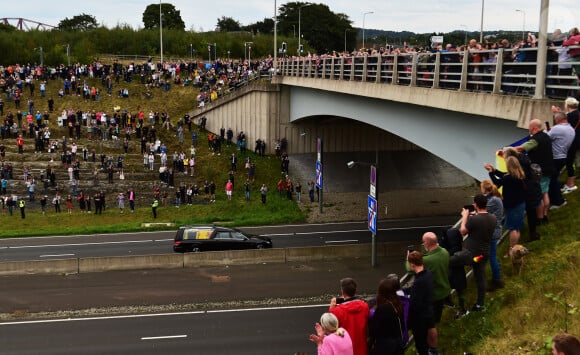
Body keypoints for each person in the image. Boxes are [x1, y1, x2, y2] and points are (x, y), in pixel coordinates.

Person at [459, 194, 496, 311]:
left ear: (475, 204)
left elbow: (463, 231)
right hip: (484, 252)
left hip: (474, 254)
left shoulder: (474, 219)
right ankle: (480, 303)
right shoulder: (493, 218)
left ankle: (458, 295)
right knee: (480, 276)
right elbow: (481, 223)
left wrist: (465, 216)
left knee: (453, 261)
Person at [516, 119, 556, 224]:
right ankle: (545, 214)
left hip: (539, 171)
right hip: (548, 168)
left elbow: (521, 148)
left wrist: (508, 150)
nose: (528, 129)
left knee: (539, 195)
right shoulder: (546, 136)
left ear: (534, 128)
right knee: (545, 192)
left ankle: (540, 217)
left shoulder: (535, 140)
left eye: (529, 127)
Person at [484, 156, 526, 255]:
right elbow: (503, 175)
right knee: (517, 227)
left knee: (513, 229)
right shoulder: (519, 174)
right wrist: (494, 170)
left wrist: (490, 172)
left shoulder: (509, 178)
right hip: (520, 203)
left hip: (513, 206)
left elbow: (497, 182)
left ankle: (512, 250)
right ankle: (515, 247)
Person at [405, 251, 435, 355]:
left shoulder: (419, 281)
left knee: (421, 343)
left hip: (420, 318)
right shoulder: (428, 274)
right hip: (429, 311)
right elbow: (414, 290)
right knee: (425, 340)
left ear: (412, 264)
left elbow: (414, 303)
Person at [328, 278, 369, 355]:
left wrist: (331, 307)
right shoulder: (365, 306)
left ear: (342, 291)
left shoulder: (337, 311)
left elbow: (329, 326)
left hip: (344, 350)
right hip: (361, 349)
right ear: (355, 290)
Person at [367, 278, 405, 355]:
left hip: (386, 346)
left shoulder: (383, 309)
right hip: (398, 343)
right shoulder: (398, 304)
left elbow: (374, 331)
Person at [479, 179, 505, 290]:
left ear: (484, 188)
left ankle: (497, 279)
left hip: (492, 232)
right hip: (495, 230)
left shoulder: (492, 200)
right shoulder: (495, 198)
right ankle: (495, 278)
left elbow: (483, 212)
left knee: (492, 257)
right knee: (491, 255)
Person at [547, 112, 575, 209]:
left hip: (555, 157)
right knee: (554, 178)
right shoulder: (571, 129)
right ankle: (556, 199)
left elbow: (546, 138)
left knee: (551, 180)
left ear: (558, 119)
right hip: (563, 156)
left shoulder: (557, 128)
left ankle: (558, 201)